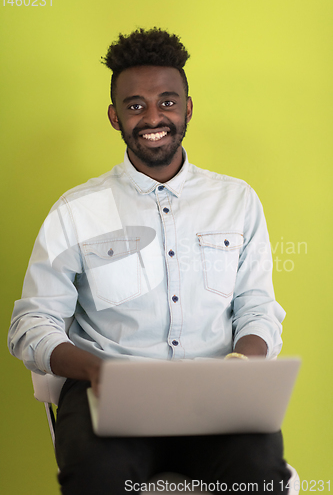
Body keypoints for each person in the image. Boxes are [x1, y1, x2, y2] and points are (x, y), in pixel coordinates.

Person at [8, 28, 291, 494]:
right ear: (114, 117)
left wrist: (245, 363)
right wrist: (96, 370)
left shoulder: (236, 200)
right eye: (135, 105)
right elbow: (31, 324)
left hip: (215, 396)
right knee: (95, 476)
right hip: (109, 396)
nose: (153, 117)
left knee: (260, 473)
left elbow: (257, 306)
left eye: (168, 101)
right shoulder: (75, 210)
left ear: (188, 107)